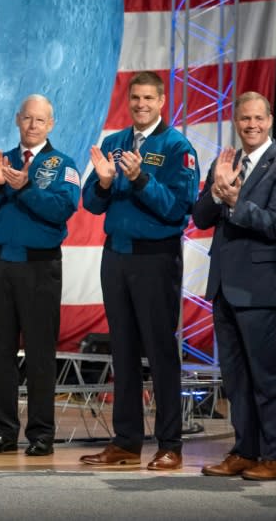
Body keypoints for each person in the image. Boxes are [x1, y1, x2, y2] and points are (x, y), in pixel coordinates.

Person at [79, 71, 198, 471]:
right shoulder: (114, 143)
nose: (141, 105)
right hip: (116, 257)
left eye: (149, 98)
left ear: (162, 101)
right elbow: (93, 205)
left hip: (155, 259)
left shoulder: (177, 146)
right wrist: (104, 182)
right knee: (124, 351)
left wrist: (140, 178)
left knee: (161, 353)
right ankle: (126, 443)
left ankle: (170, 445)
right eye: (135, 98)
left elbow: (178, 208)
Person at [193, 91, 276, 481]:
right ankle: (245, 450)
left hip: (262, 288)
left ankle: (274, 456)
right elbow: (201, 217)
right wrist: (216, 190)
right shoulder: (226, 162)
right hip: (224, 287)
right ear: (236, 121)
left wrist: (236, 198)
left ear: (270, 120)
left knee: (266, 376)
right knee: (235, 377)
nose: (252, 125)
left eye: (258, 118)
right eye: (245, 119)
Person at [0, 95, 80, 456]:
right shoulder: (1, 162)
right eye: (27, 118)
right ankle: (3, 431)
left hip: (39, 266)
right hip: (0, 263)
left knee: (39, 353)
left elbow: (62, 209)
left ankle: (42, 434)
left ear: (51, 124)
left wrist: (26, 189)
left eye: (40, 120)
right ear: (18, 120)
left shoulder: (63, 164)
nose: (32, 126)